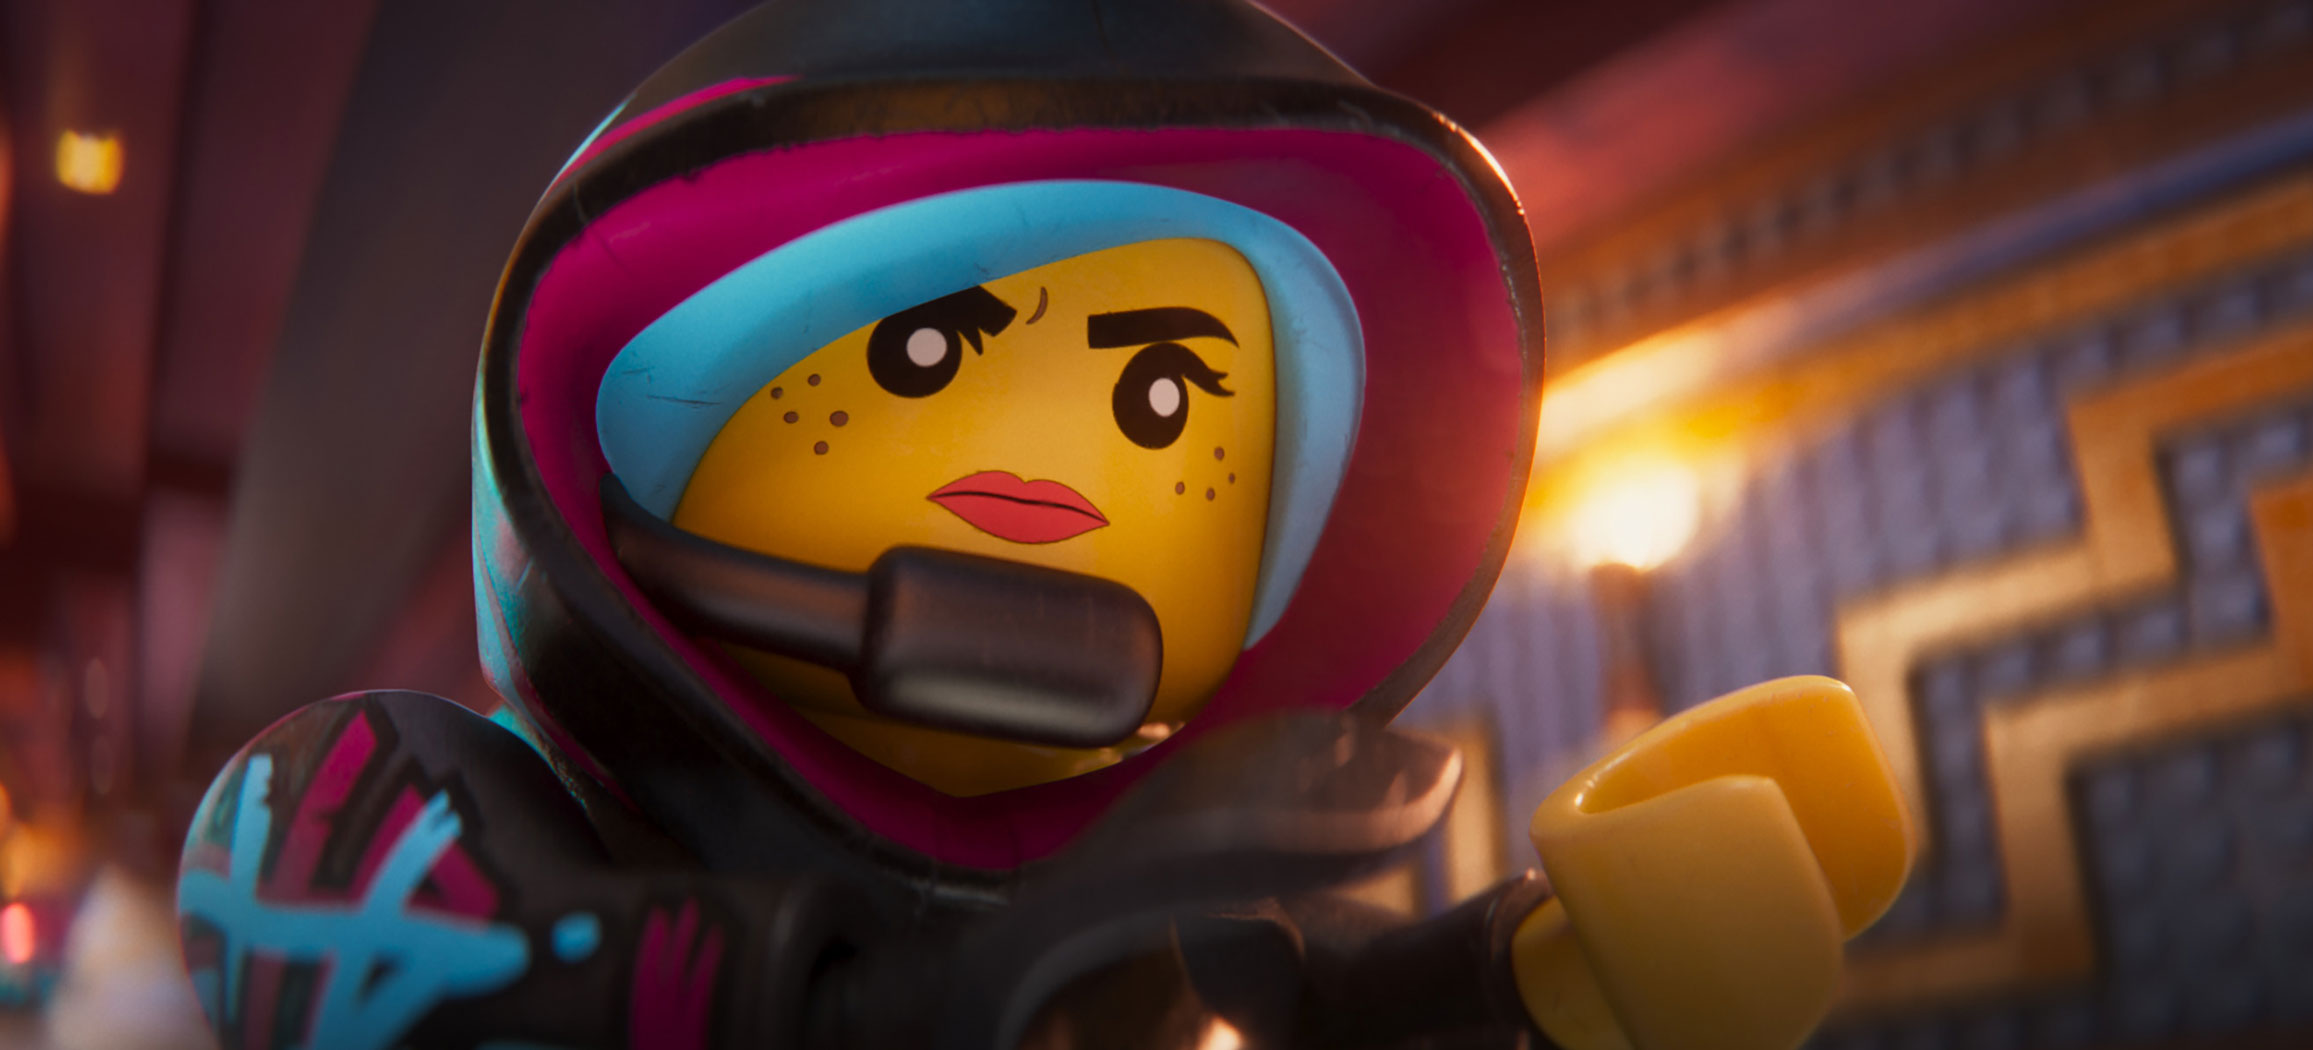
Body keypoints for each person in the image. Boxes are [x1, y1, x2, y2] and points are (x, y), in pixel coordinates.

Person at [175, 1, 1913, 1047]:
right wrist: (860, 1001)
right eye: (920, 356)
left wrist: (1527, 974)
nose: (1063, 484)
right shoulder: (431, 812)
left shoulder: (1176, 913)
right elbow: (324, 922)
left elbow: (1300, 1004)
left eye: (1166, 403)